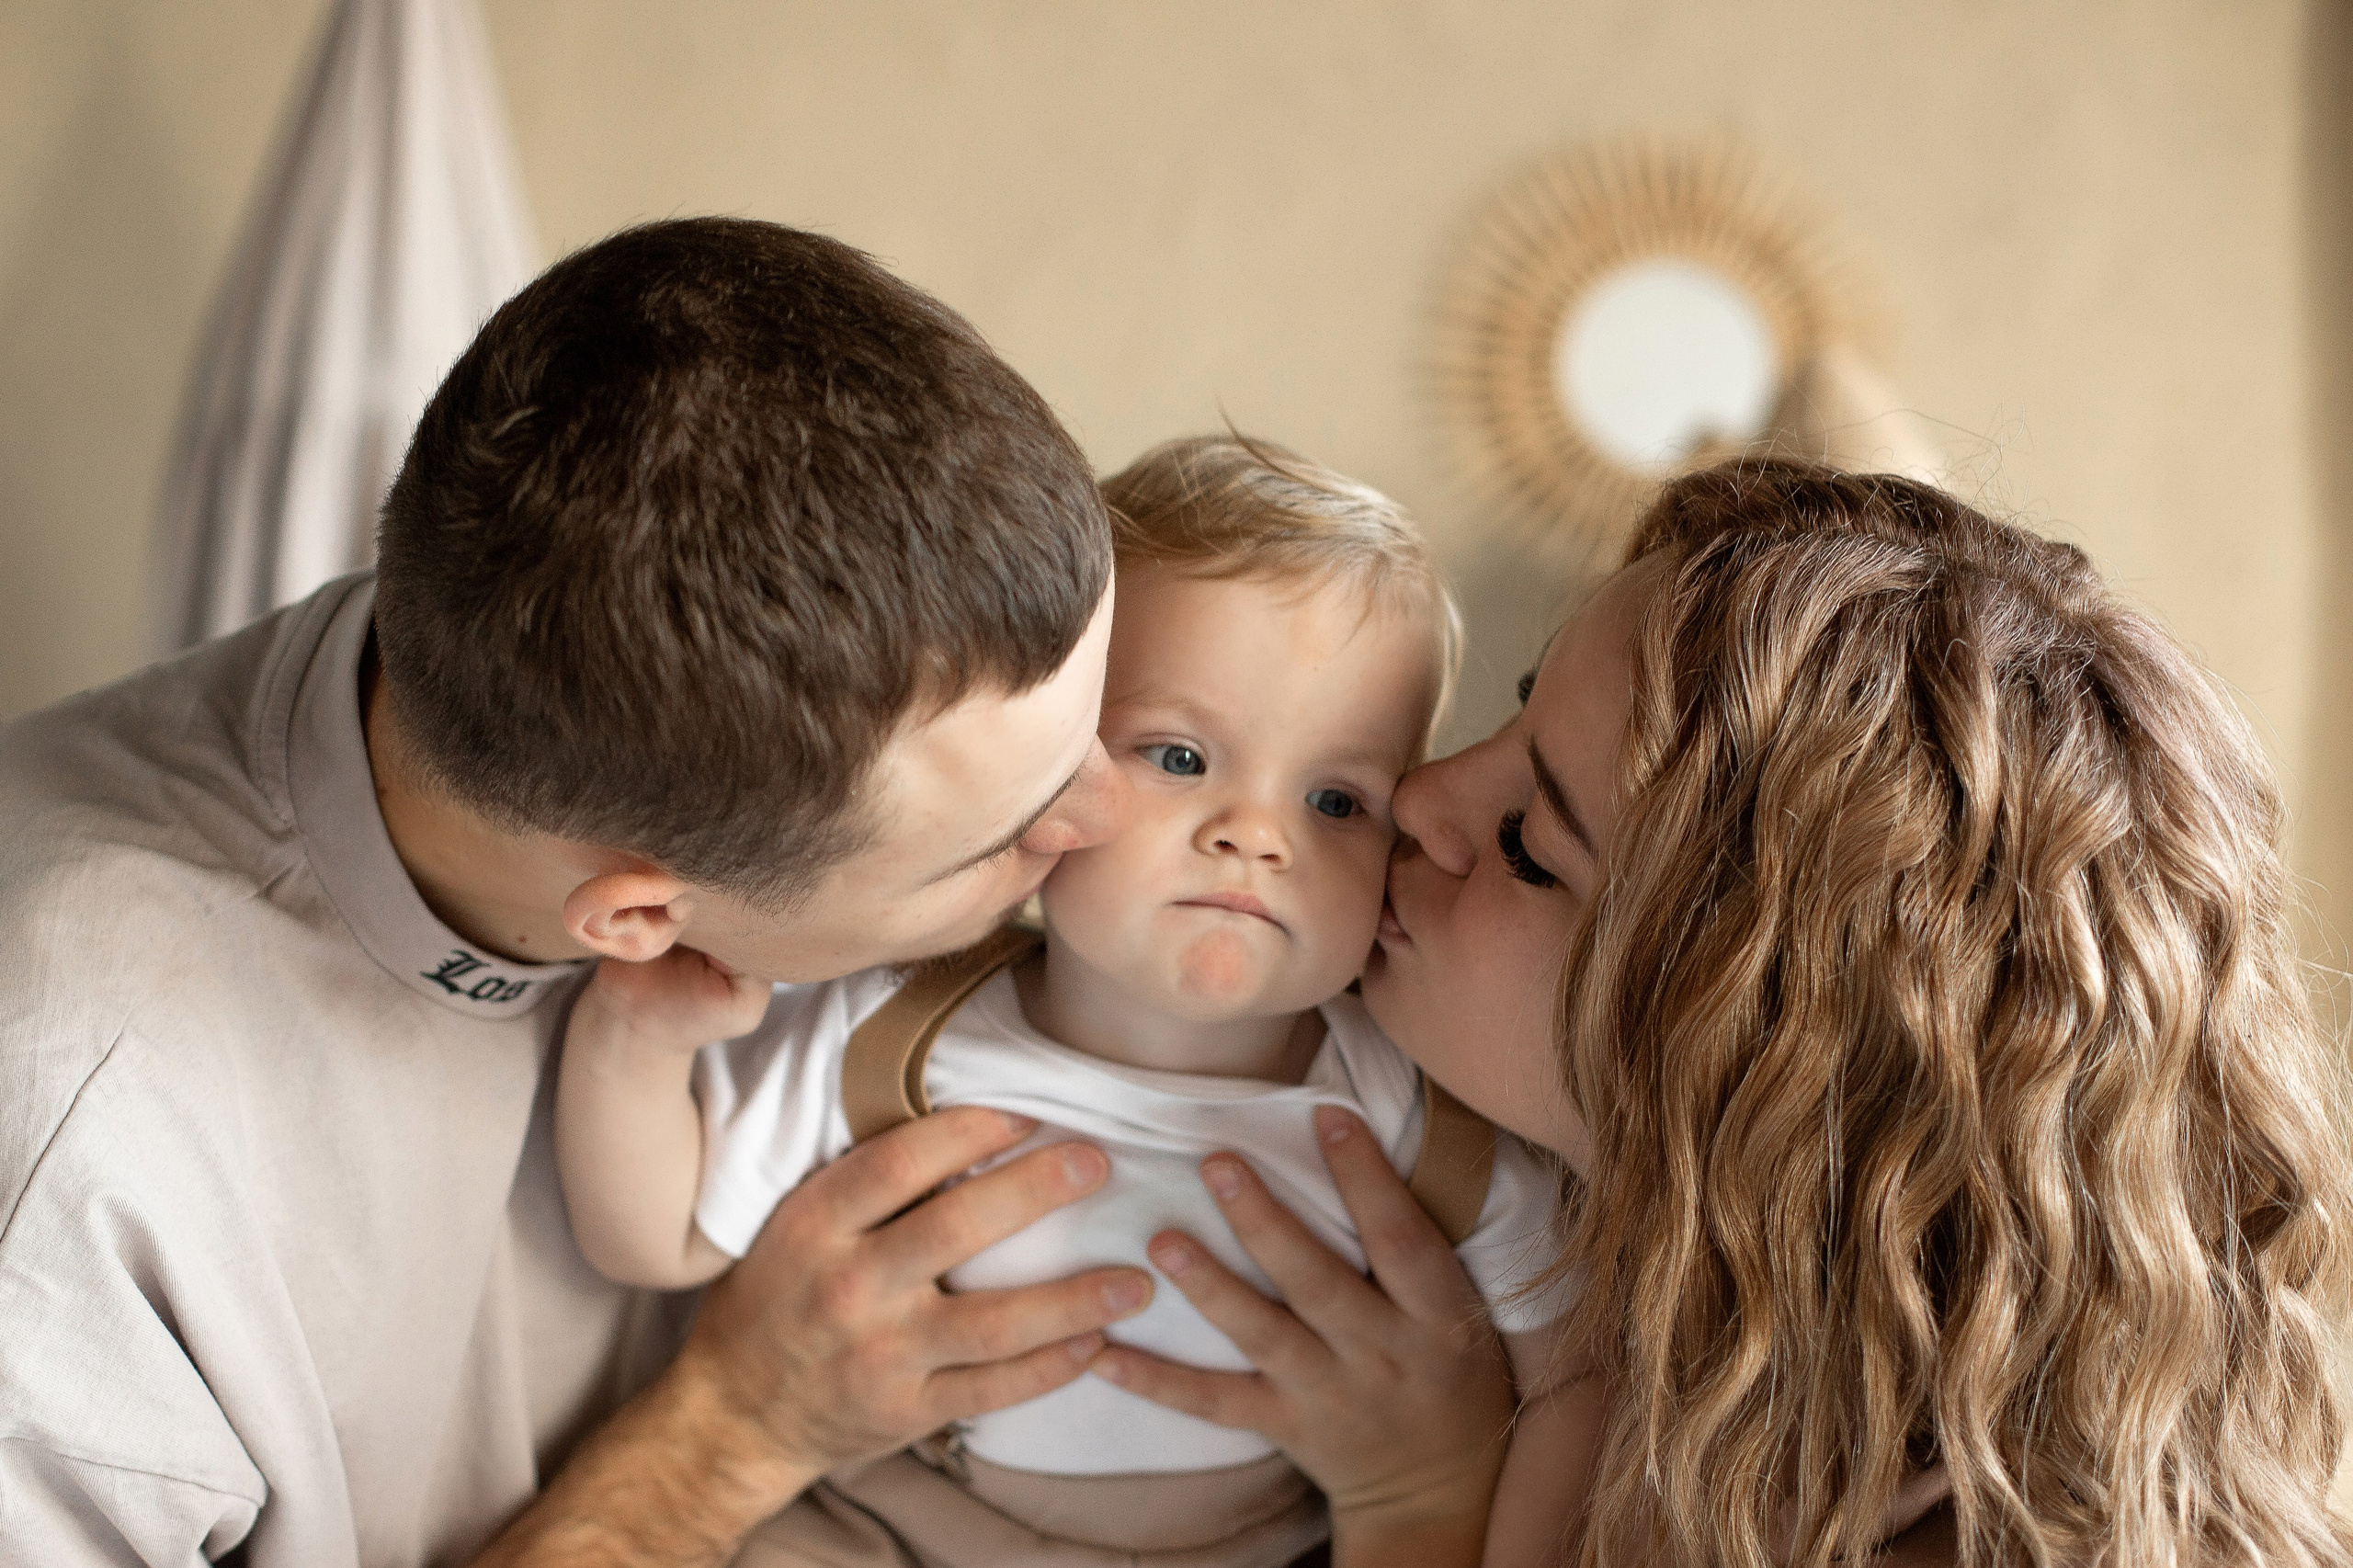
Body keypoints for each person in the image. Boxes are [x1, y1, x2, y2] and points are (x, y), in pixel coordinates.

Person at [0, 218, 1162, 1568]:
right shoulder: (72, 1165)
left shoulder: (569, 662)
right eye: (1006, 838)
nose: (1112, 819)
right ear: (634, 921)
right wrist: (732, 1429)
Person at [1091, 460, 2353, 1566]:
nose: (1419, 796)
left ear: (1752, 1056)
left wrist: (1411, 1503)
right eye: (1515, 710)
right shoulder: (1597, 1359)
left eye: (1531, 841)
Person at [552, 434, 1566, 1566]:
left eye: (1337, 798)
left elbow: (1573, 1379)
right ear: (1044, 769)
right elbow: (653, 1237)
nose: (1255, 833)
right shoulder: (896, 1032)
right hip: (893, 1518)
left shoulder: (1422, 1117)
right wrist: (635, 1040)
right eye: (1179, 756)